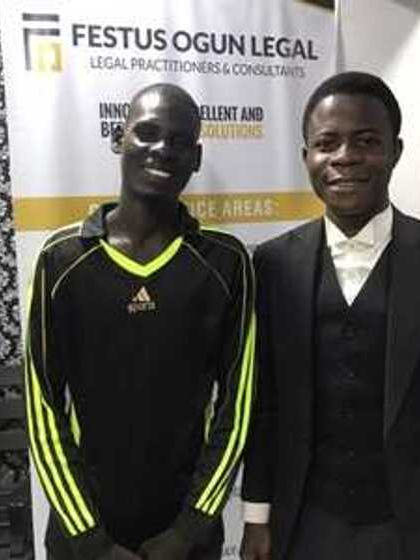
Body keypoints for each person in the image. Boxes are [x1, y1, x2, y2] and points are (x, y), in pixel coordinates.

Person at [239, 71, 420, 560]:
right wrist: (256, 515)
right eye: (326, 143)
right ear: (306, 158)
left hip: (419, 528)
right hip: (305, 524)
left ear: (395, 151)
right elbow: (265, 404)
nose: (345, 158)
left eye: (366, 141)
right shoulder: (271, 264)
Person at [25, 83, 255, 560]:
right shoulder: (61, 259)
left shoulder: (226, 262)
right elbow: (42, 406)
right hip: (85, 531)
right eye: (147, 133)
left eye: (179, 140)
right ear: (118, 138)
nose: (162, 149)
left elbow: (238, 407)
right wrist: (89, 539)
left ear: (196, 157)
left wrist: (189, 531)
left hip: (184, 534)